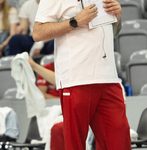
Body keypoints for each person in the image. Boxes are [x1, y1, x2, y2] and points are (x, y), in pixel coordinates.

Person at [32, 0, 131, 149]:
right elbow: (38, 32)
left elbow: (113, 32)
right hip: (77, 79)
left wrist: (117, 18)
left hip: (108, 77)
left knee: (120, 144)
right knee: (75, 145)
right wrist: (75, 21)